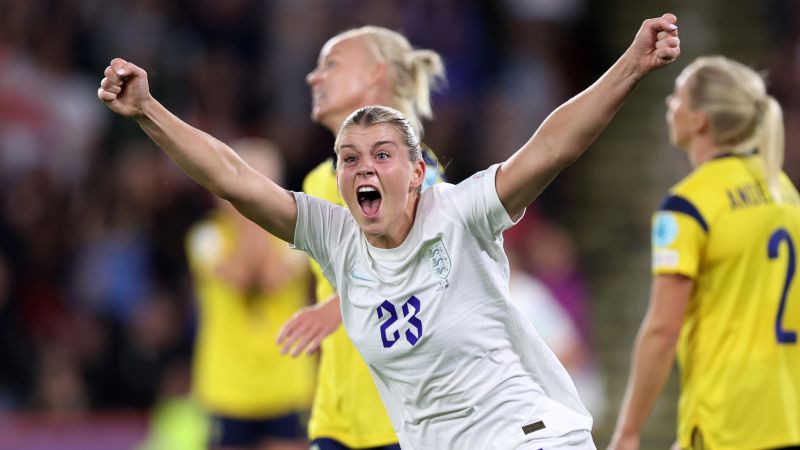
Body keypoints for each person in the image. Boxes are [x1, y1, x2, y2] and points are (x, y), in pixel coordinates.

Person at [97, 13, 680, 449]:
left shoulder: (460, 213)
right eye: (348, 159)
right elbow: (232, 177)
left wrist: (631, 64)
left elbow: (552, 146)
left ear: (419, 170)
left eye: (382, 155)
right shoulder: (334, 235)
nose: (363, 169)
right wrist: (150, 110)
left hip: (524, 434)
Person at [608, 56, 800, 450]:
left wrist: (628, 430)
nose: (669, 105)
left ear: (700, 121)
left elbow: (662, 330)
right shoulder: (783, 191)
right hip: (788, 414)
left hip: (727, 420)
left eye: (677, 96)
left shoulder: (687, 207)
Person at [276, 26, 446, 450]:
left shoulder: (416, 171)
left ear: (376, 75)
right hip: (336, 419)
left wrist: (339, 306)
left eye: (330, 64)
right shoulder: (317, 181)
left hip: (405, 419)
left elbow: (436, 265)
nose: (314, 78)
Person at [185, 138, 316, 450]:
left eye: (261, 182)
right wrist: (249, 207)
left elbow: (270, 279)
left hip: (286, 384)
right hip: (226, 389)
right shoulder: (206, 237)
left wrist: (258, 208)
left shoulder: (298, 237)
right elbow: (241, 278)